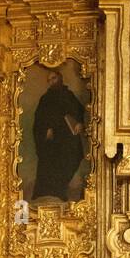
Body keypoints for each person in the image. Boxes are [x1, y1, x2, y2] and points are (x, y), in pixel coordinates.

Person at [31, 71, 86, 201]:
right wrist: (46, 129)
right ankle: (50, 192)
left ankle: (60, 189)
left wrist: (79, 122)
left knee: (73, 157)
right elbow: (39, 119)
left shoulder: (68, 95)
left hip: (67, 136)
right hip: (52, 139)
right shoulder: (46, 98)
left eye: (54, 78)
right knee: (52, 163)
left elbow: (79, 110)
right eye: (49, 80)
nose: (51, 82)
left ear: (60, 78)